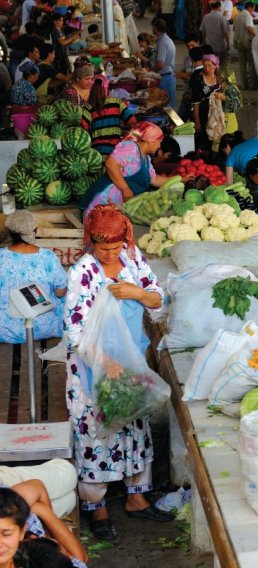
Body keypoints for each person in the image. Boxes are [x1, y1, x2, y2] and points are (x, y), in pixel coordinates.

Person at [63, 204, 172, 542]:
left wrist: (134, 292)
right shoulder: (82, 272)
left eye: (115, 247)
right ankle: (97, 508)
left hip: (132, 361)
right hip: (93, 367)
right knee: (97, 432)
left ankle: (137, 498)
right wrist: (105, 362)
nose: (110, 253)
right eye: (103, 248)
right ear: (91, 243)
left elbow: (159, 299)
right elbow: (74, 331)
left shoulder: (133, 260)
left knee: (134, 423)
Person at [0, 211, 67, 344]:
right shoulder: (48, 257)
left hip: (5, 328)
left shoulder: (1, 256)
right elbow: (60, 293)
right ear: (35, 230)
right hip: (43, 326)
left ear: (10, 232)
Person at [80, 123, 168, 215]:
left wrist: (181, 179)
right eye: (159, 142)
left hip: (118, 205)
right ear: (150, 140)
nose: (159, 146)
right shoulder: (131, 147)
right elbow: (111, 164)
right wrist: (125, 190)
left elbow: (155, 180)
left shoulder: (146, 159)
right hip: (105, 200)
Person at [87, 77, 137, 156]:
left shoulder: (88, 107)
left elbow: (84, 130)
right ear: (107, 88)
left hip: (96, 153)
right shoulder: (116, 102)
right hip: (115, 152)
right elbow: (132, 122)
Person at [191, 53, 224, 151]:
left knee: (216, 139)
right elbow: (195, 103)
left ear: (215, 66)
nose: (207, 68)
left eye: (210, 65)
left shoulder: (219, 79)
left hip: (216, 115)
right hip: (203, 114)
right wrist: (197, 122)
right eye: (205, 66)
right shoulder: (198, 80)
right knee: (204, 140)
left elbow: (225, 96)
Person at [233, 0, 257, 90]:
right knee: (251, 65)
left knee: (242, 66)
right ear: (250, 7)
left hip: (239, 42)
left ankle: (244, 85)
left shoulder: (237, 16)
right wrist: (257, 36)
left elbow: (235, 29)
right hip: (248, 43)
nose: (253, 10)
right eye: (253, 8)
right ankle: (252, 86)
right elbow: (249, 27)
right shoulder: (248, 16)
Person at [152, 19, 176, 108]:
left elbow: (160, 64)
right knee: (169, 106)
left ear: (156, 28)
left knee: (167, 107)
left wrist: (150, 71)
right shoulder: (166, 40)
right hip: (169, 77)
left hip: (166, 78)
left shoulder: (162, 42)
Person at [9, 65, 39, 137]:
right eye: (37, 75)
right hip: (26, 119)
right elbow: (33, 104)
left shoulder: (16, 84)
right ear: (32, 75)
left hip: (15, 118)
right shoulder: (30, 87)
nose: (37, 78)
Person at [200, 0, 230, 66]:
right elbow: (226, 32)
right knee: (222, 64)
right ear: (219, 7)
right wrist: (228, 44)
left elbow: (203, 32)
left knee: (211, 64)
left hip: (209, 45)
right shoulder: (222, 18)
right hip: (220, 46)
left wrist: (204, 43)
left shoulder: (206, 17)